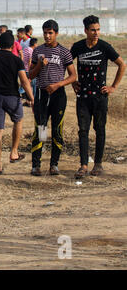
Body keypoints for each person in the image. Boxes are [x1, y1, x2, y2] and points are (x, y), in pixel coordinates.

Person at [71, 15, 126, 179]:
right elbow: (66, 63)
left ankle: (98, 164)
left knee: (100, 129)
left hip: (100, 97)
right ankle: (83, 165)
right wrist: (73, 80)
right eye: (93, 30)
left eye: (98, 29)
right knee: (83, 130)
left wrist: (113, 87)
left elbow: (122, 64)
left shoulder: (104, 46)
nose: (96, 33)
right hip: (83, 97)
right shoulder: (78, 47)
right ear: (86, 30)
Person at [0, 32, 34, 175]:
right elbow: (23, 81)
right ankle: (14, 152)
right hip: (12, 96)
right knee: (18, 120)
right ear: (12, 45)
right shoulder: (16, 60)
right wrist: (32, 98)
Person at [29, 20, 77, 176]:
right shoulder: (38, 51)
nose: (47, 36)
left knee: (57, 130)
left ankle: (54, 164)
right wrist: (39, 66)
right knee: (41, 129)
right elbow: (30, 74)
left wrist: (58, 85)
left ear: (56, 33)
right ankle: (36, 165)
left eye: (50, 33)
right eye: (45, 33)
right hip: (42, 95)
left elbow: (73, 76)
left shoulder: (64, 52)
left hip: (58, 96)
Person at [21, 38, 38, 106]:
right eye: (37, 43)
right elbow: (30, 61)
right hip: (28, 70)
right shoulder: (31, 51)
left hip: (24, 70)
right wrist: (31, 70)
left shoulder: (26, 49)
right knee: (34, 86)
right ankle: (33, 101)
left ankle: (28, 101)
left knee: (26, 85)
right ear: (34, 44)